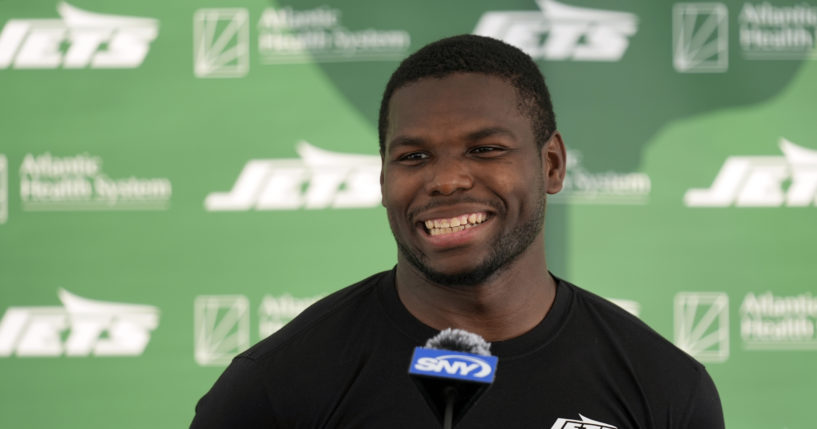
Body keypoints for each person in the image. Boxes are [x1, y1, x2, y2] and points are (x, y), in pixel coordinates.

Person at [190, 35, 724, 428]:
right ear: (383, 181)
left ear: (553, 165)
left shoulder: (664, 386)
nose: (445, 180)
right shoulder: (278, 387)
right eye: (413, 156)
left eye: (485, 149)